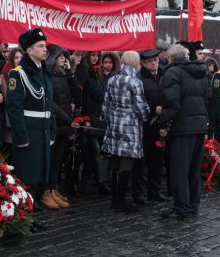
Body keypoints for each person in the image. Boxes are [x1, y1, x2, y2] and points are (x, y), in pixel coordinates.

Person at [7, 28, 55, 230]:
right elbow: (14, 109)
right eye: (40, 46)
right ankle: (22, 219)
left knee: (37, 178)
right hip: (29, 132)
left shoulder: (43, 71)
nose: (45, 50)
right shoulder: (18, 74)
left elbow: (49, 105)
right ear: (29, 50)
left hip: (43, 131)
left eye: (45, 46)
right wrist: (22, 137)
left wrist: (51, 131)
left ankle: (30, 217)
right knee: (26, 178)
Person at [159, 44, 208, 220]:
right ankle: (193, 205)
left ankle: (181, 208)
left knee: (180, 170)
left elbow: (172, 103)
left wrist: (162, 121)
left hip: (183, 127)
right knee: (193, 170)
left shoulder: (172, 73)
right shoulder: (200, 73)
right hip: (199, 125)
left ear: (171, 59)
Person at [102, 51, 150, 213]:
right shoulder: (135, 82)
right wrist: (147, 116)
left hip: (114, 126)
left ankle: (114, 200)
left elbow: (105, 106)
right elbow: (141, 108)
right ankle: (121, 201)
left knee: (115, 163)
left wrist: (111, 120)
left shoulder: (112, 79)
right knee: (126, 164)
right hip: (130, 128)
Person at [43, 44, 76, 209]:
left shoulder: (63, 75)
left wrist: (70, 73)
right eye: (61, 56)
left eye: (66, 56)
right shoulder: (48, 75)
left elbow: (75, 92)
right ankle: (46, 191)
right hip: (56, 123)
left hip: (65, 123)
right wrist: (66, 119)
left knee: (58, 160)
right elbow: (52, 103)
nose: (64, 59)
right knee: (51, 160)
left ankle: (53, 188)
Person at [132, 48, 167, 204]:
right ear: (143, 64)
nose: (154, 63)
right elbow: (137, 102)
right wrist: (154, 108)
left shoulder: (164, 75)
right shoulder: (139, 78)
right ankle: (138, 194)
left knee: (157, 162)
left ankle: (154, 191)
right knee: (141, 163)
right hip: (144, 127)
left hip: (160, 126)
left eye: (156, 60)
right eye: (151, 61)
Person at [79, 51, 110, 195]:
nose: (95, 58)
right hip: (89, 119)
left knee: (99, 152)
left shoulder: (102, 78)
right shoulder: (86, 75)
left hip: (100, 119)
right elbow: (91, 98)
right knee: (92, 151)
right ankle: (87, 183)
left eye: (97, 56)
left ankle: (100, 182)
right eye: (92, 55)